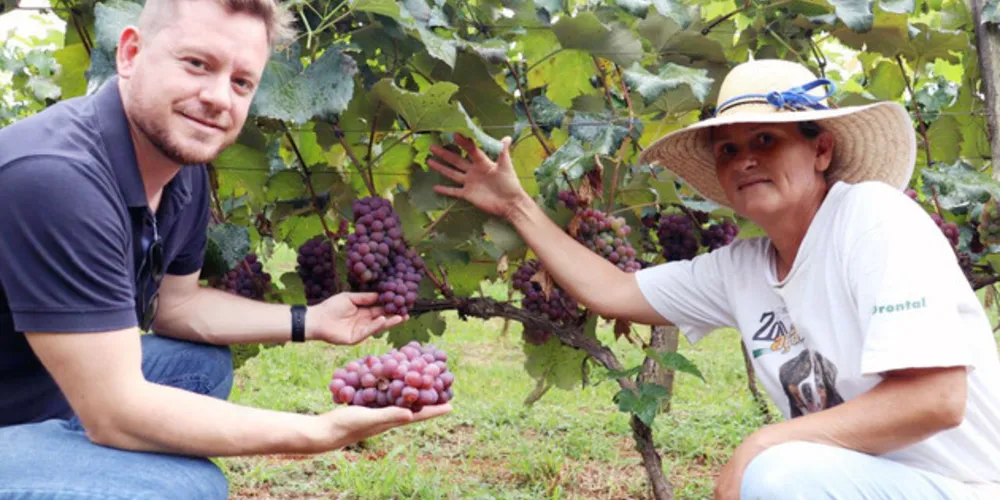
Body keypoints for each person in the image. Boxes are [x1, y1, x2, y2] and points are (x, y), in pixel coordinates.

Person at [427, 59, 1000, 499]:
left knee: (777, 473)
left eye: (767, 140)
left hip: (965, 490)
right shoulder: (743, 267)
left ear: (821, 149)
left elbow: (937, 399)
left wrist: (763, 440)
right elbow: (615, 292)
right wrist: (515, 207)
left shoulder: (872, 216)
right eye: (729, 148)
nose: (745, 158)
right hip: (860, 484)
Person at [0, 0, 450, 497]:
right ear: (130, 53)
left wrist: (312, 321)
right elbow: (115, 413)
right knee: (188, 487)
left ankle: (67, 453)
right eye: (197, 64)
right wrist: (317, 432)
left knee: (200, 366)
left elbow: (177, 307)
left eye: (241, 83)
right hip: (31, 413)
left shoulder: (183, 175)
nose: (218, 98)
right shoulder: (55, 176)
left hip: (50, 387)